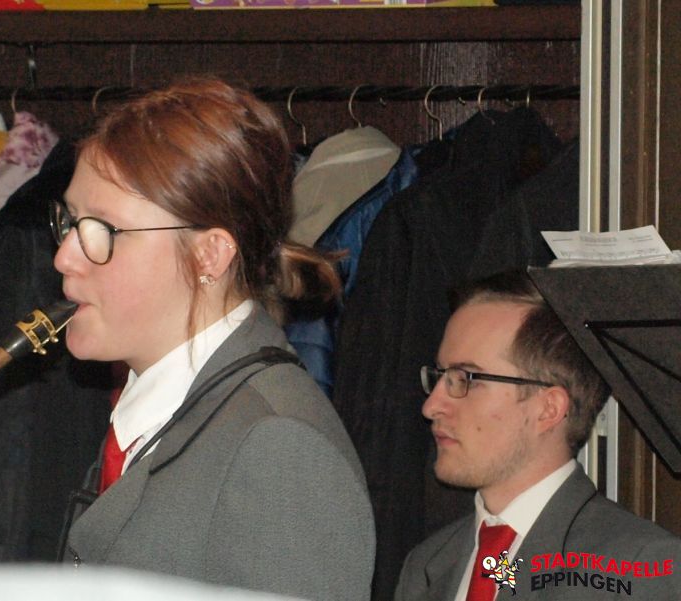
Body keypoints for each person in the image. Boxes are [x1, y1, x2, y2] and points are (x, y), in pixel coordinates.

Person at [50, 77, 375, 601]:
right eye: (69, 221)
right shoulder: (160, 403)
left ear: (210, 255)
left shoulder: (280, 450)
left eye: (103, 230)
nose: (65, 256)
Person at [394, 271, 681, 601]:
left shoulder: (640, 570)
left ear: (548, 409)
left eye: (466, 378)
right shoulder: (426, 566)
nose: (431, 406)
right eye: (441, 376)